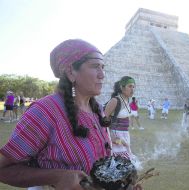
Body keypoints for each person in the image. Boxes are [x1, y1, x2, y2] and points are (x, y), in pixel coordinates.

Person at [0, 39, 112, 190]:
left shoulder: (98, 109)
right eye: (95, 66)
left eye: (103, 67)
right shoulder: (45, 111)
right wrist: (57, 176)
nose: (102, 74)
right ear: (71, 71)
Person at [104, 76, 137, 160]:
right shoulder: (115, 101)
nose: (132, 89)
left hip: (125, 136)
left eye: (134, 87)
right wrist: (113, 138)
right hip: (115, 137)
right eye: (129, 86)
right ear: (122, 87)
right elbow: (103, 121)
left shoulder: (127, 101)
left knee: (127, 164)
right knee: (120, 165)